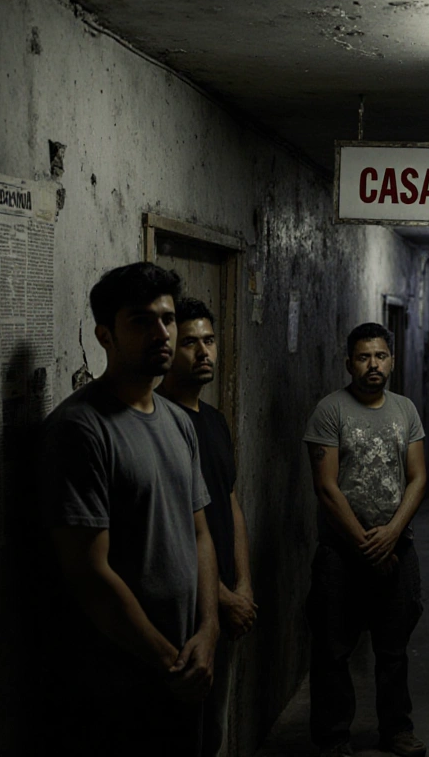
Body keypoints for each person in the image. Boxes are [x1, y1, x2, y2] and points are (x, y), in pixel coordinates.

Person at [42, 262, 219, 754]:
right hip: (120, 680)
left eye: (166, 318)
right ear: (105, 335)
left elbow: (199, 533)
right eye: (141, 321)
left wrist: (208, 631)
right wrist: (169, 662)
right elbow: (89, 573)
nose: (162, 332)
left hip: (187, 666)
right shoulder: (81, 429)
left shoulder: (177, 422)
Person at [305, 322, 429, 757]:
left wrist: (392, 535)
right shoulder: (330, 411)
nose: (372, 365)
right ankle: (333, 738)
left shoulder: (405, 410)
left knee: (393, 650)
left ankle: (396, 730)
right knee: (333, 652)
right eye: (363, 357)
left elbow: (418, 477)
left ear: (391, 360)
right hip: (342, 553)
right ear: (349, 363)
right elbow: (327, 488)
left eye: (379, 356)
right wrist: (365, 544)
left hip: (398, 549)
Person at [155, 296, 256, 756]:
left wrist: (244, 586)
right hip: (185, 606)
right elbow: (174, 530)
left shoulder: (214, 420)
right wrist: (222, 597)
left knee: (214, 728)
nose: (204, 353)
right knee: (181, 731)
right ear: (170, 348)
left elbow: (230, 504)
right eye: (191, 343)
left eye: (209, 341)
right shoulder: (158, 423)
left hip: (225, 601)